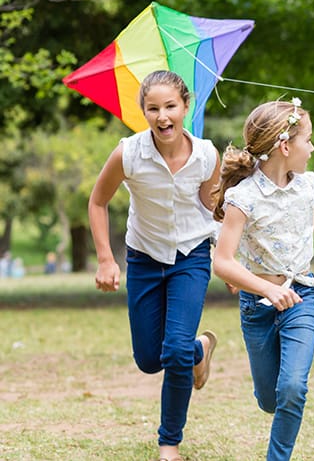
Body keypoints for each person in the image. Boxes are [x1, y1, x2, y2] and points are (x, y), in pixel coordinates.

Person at [87, 70, 220, 461]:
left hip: (191, 257)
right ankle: (201, 350)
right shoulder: (128, 153)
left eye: (170, 107)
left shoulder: (206, 155)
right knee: (150, 359)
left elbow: (213, 207)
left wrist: (230, 257)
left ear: (186, 107)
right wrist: (106, 259)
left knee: (173, 352)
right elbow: (97, 202)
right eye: (153, 108)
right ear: (143, 111)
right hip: (144, 258)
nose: (163, 116)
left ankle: (169, 443)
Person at [211, 98, 314, 461]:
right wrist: (267, 289)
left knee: (292, 387)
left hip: (302, 297)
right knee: (270, 399)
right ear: (285, 146)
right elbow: (223, 264)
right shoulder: (242, 198)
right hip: (256, 307)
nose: (313, 147)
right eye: (308, 140)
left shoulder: (309, 187)